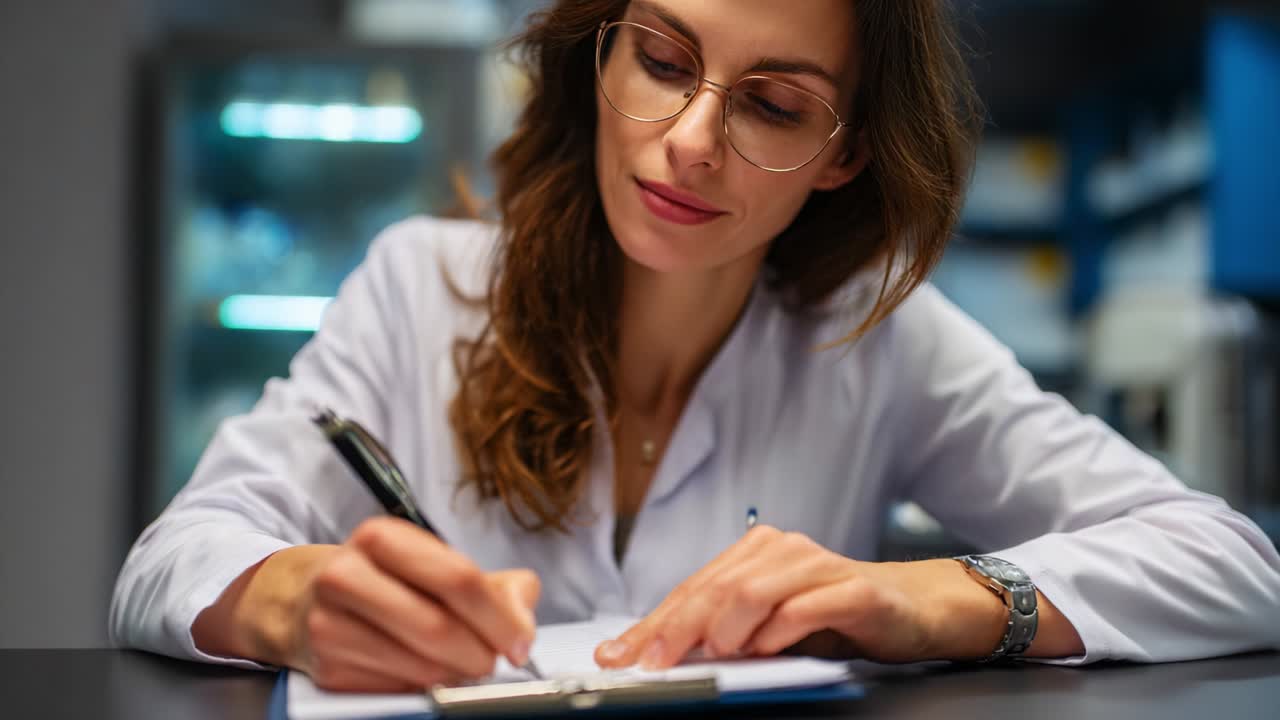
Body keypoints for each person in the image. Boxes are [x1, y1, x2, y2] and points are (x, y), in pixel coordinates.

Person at [111, 0, 1280, 692]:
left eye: (771, 106)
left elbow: (1232, 564)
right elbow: (172, 560)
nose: (687, 143)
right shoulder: (423, 287)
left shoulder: (877, 340)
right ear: (601, 56)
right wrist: (288, 602)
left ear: (843, 153)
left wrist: (933, 600)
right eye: (663, 64)